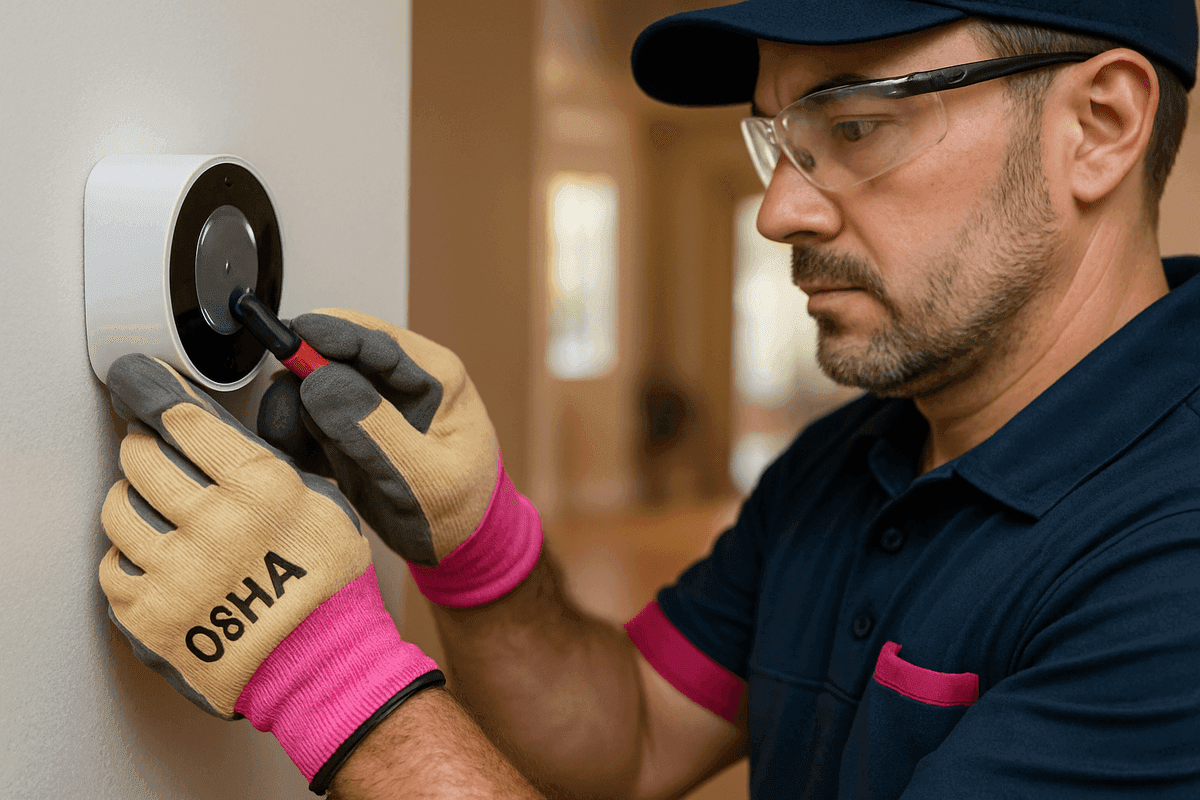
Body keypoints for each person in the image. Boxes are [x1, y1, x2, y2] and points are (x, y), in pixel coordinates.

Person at [96, 0, 1200, 797]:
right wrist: (483, 553)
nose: (778, 212)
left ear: (1099, 125)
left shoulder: (1173, 574)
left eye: (853, 125)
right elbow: (624, 742)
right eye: (779, 136)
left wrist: (329, 676)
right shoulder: (850, 459)